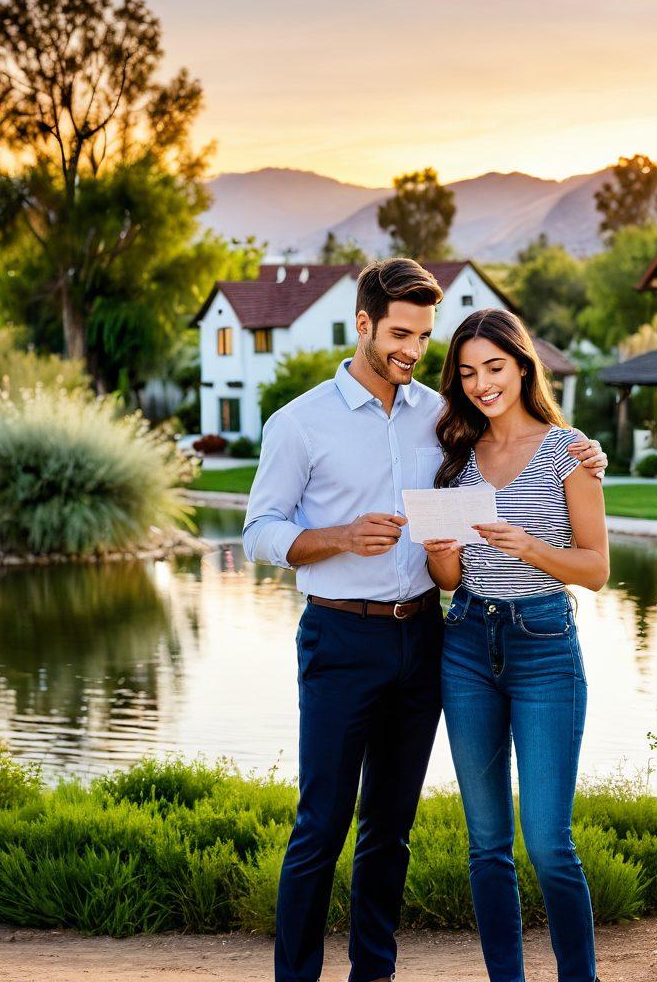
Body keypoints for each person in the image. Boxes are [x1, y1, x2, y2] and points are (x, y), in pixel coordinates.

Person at [242, 259, 607, 982]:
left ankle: (372, 975)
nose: (411, 349)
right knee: (321, 827)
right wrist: (342, 537)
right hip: (342, 635)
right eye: (400, 333)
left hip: (429, 638)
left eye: (422, 336)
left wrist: (582, 448)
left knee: (390, 831)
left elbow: (521, 462)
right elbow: (258, 532)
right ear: (365, 325)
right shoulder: (300, 422)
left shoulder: (443, 424)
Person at [424, 308, 610, 982]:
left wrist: (529, 546)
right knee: (486, 846)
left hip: (543, 645)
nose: (482, 383)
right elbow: (448, 579)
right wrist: (443, 553)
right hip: (468, 640)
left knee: (550, 845)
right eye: (468, 372)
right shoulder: (455, 458)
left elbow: (595, 569)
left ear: (523, 365)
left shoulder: (570, 449)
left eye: (494, 367)